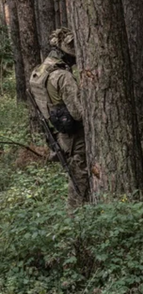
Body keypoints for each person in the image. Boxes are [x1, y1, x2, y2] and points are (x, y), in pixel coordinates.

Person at [29, 28, 90, 208]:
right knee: (80, 177)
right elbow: (78, 113)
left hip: (57, 132)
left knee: (76, 174)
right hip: (73, 135)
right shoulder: (63, 76)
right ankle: (77, 215)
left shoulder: (41, 70)